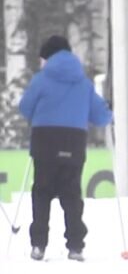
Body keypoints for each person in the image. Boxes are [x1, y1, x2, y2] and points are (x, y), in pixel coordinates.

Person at [18, 35, 112, 262]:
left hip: (45, 140)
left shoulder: (41, 80)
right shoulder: (84, 83)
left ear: (48, 57)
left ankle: (39, 244)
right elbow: (101, 116)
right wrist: (111, 114)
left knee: (41, 192)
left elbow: (25, 108)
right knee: (71, 194)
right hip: (74, 140)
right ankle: (75, 245)